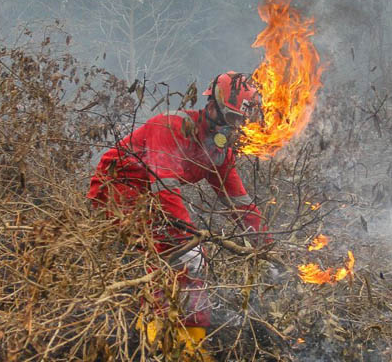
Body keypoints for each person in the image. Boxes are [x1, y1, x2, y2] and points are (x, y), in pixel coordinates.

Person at [87, 71, 269, 358]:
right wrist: (186, 241)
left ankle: (188, 341)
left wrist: (265, 245)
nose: (238, 129)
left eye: (241, 122)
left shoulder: (219, 153)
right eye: (234, 120)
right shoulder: (171, 127)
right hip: (116, 189)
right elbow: (165, 188)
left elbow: (240, 203)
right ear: (216, 108)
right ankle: (159, 343)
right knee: (181, 255)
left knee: (189, 257)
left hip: (150, 197)